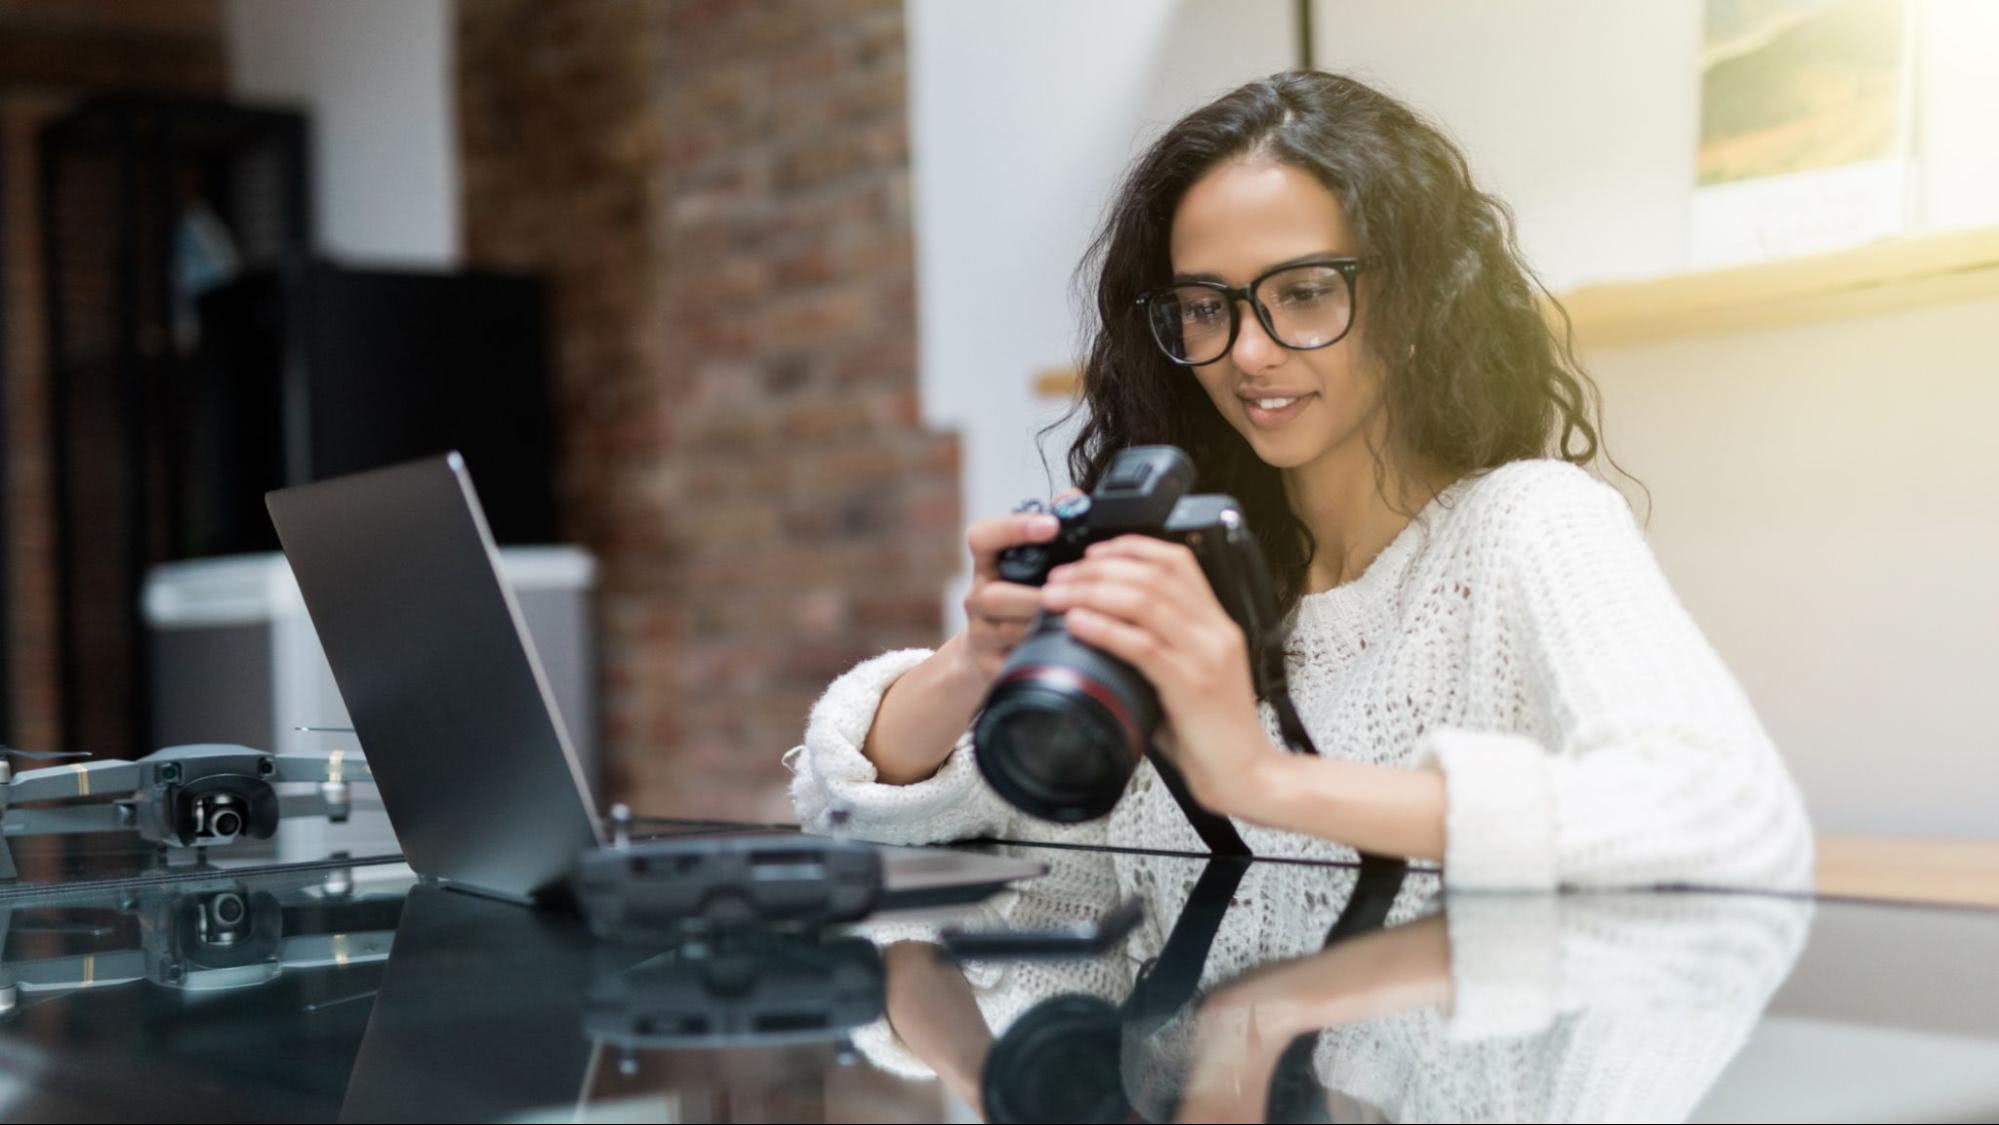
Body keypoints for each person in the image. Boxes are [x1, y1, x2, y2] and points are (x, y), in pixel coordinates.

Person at [783, 69, 1812, 890]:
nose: (1247, 353)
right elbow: (866, 815)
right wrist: (974, 661)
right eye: (1204, 305)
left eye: (1305, 293)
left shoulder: (1525, 526)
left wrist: (1267, 780)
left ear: (1417, 303)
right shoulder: (1187, 561)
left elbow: (1722, 818)